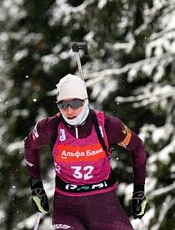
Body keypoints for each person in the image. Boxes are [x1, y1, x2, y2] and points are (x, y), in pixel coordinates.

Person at [24, 74, 148, 229]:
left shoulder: (107, 126)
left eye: (75, 103)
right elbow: (29, 145)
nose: (69, 110)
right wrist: (36, 186)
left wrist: (139, 191)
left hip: (104, 204)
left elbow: (138, 147)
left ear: (85, 101)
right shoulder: (50, 127)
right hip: (67, 207)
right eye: (63, 105)